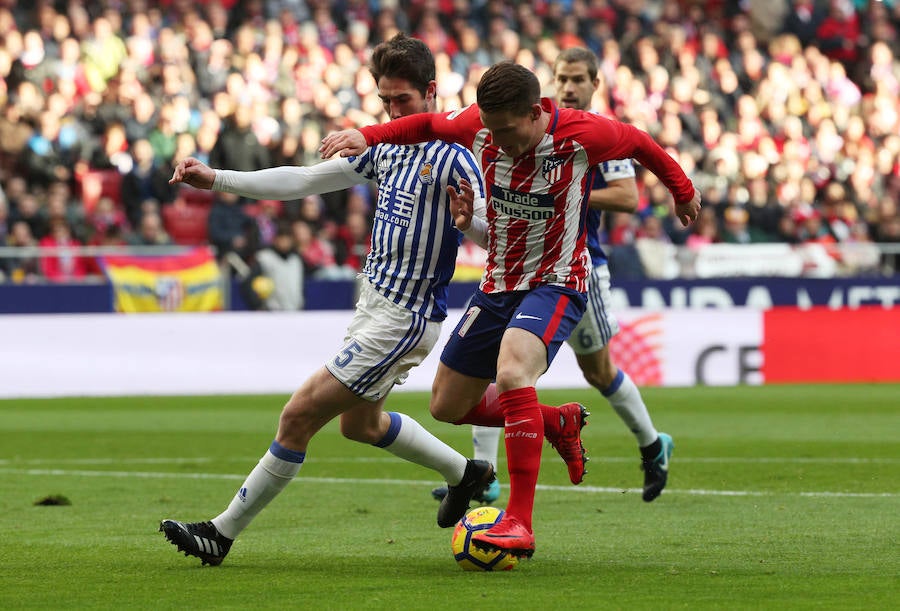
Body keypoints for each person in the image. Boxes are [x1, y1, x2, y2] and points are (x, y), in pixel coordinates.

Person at [320, 61, 701, 558]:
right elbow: (427, 124)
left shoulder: (584, 134)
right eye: (490, 130)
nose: (497, 141)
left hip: (558, 280)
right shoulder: (479, 126)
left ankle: (519, 521)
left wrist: (683, 191)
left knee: (513, 369)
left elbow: (644, 144)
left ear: (535, 113)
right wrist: (366, 136)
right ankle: (555, 423)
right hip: (498, 284)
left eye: (506, 131)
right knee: (446, 406)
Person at [158, 33, 497, 567]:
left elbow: (491, 233)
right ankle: (467, 472)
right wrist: (217, 179)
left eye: (402, 101)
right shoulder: (383, 149)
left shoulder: (455, 158)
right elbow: (304, 180)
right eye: (384, 101)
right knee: (359, 425)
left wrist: (468, 220)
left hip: (403, 318)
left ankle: (219, 534)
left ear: (431, 92)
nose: (390, 111)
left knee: (297, 416)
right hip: (372, 308)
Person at [430, 47, 676, 506]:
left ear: (595, 84)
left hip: (582, 265)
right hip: (522, 269)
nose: (569, 86)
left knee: (597, 371)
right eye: (562, 77)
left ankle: (650, 443)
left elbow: (626, 197)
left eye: (578, 78)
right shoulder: (525, 131)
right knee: (505, 367)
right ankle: (488, 475)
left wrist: (562, 188)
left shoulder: (597, 135)